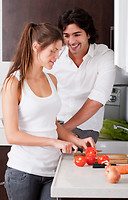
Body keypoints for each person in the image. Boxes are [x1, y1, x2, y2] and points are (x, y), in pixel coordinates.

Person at [2, 22, 95, 200]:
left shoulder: (51, 79)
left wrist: (77, 140)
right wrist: (54, 143)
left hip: (53, 172)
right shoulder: (14, 82)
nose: (57, 56)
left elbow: (52, 125)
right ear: (36, 47)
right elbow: (12, 135)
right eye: (52, 50)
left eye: (59, 51)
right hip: (23, 172)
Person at [45, 7, 116, 143]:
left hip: (85, 129)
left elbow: (98, 98)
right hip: (54, 125)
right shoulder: (56, 55)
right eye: (66, 36)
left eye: (77, 34)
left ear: (88, 34)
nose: (71, 41)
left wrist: (63, 130)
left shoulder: (104, 55)